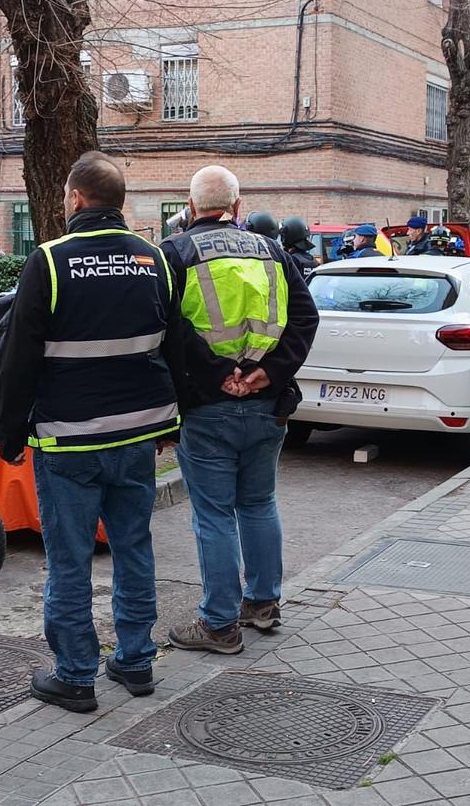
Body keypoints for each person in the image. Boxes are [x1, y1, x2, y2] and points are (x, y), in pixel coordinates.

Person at [0, 152, 184, 712]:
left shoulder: (50, 262)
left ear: (76, 199)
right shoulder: (155, 259)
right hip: (136, 436)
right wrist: (174, 421)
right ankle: (135, 659)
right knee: (133, 546)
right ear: (119, 203)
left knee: (71, 558)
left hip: (67, 439)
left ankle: (76, 674)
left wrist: (9, 438)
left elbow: (18, 361)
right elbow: (171, 344)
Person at [160, 165, 319, 654]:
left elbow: (169, 330)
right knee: (258, 503)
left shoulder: (176, 253)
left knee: (213, 516)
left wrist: (217, 376)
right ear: (236, 207)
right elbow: (305, 316)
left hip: (209, 406)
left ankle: (219, 623)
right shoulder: (272, 249)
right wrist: (268, 373)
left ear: (189, 208)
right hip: (267, 404)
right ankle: (263, 604)